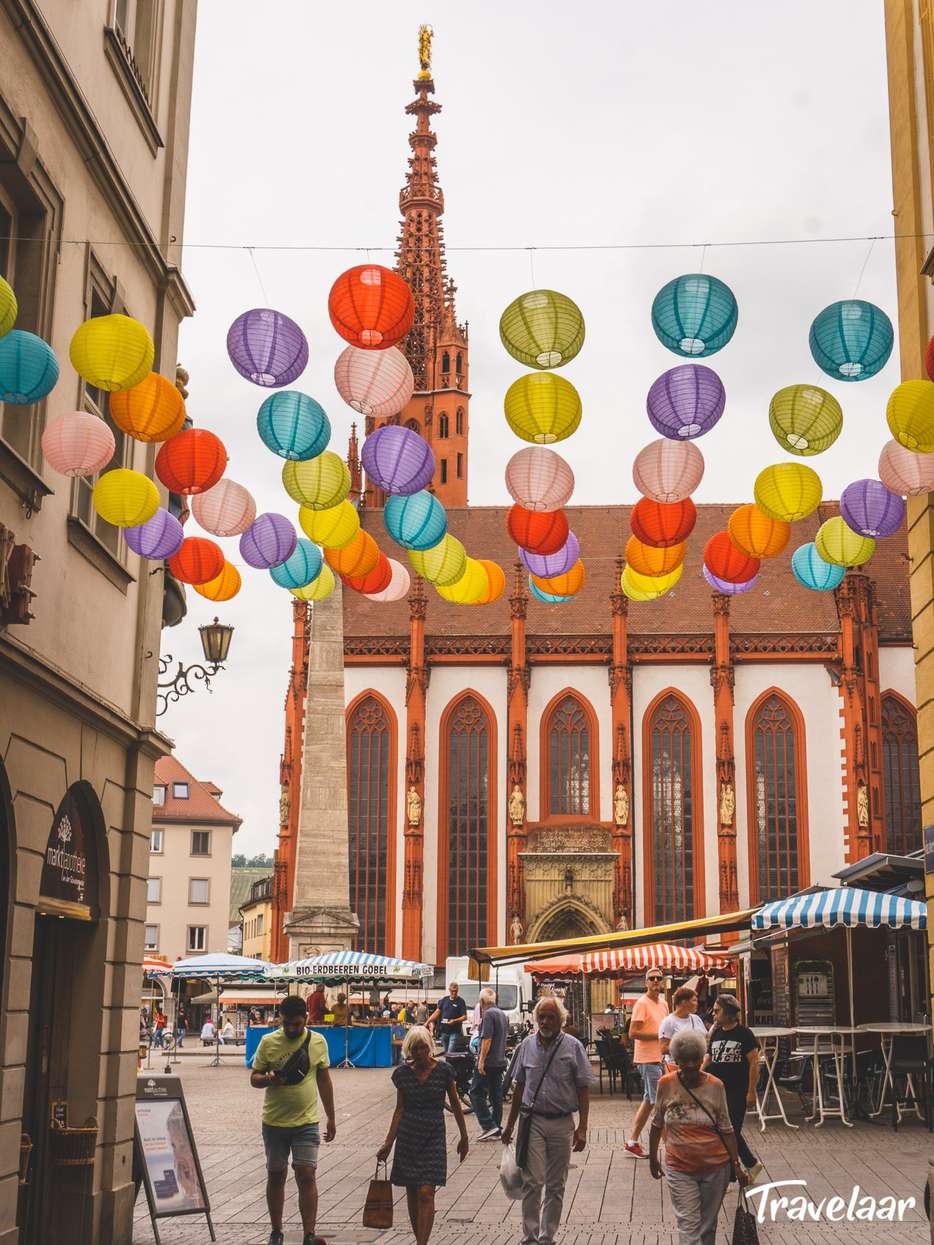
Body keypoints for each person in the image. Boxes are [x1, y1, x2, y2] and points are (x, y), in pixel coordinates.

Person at [501, 998, 592, 1245]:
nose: (545, 1022)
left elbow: (583, 1088)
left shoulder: (573, 1047)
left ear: (561, 1019)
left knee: (556, 1184)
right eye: (541, 1016)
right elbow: (519, 1086)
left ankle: (547, 1237)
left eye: (551, 1017)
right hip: (534, 1121)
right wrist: (509, 1125)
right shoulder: (526, 1045)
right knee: (533, 1181)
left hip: (563, 1121)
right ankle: (529, 1237)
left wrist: (582, 1127)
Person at [251, 995, 336, 1245]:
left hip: (307, 1122)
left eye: (296, 1024)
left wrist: (331, 1117)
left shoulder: (318, 1042)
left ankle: (309, 1234)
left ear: (306, 1019)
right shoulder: (268, 1042)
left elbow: (324, 1080)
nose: (291, 1028)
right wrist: (268, 1079)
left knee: (307, 1175)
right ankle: (276, 1232)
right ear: (280, 1018)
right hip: (274, 1122)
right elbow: (254, 1078)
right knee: (276, 1175)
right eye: (287, 1023)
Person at [649, 1028, 747, 1245]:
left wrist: (736, 1163)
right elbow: (656, 1123)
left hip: (716, 1167)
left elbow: (727, 1128)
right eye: (684, 1060)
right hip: (679, 1167)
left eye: (695, 1059)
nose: (691, 1065)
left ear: (702, 1056)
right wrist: (652, 1156)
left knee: (708, 1226)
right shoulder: (665, 1084)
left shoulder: (715, 1086)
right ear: (676, 1059)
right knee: (688, 1225)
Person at [377, 1025, 468, 1245]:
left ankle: (421, 1243)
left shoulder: (444, 1071)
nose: (420, 1054)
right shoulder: (402, 1074)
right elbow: (400, 1109)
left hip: (433, 1134)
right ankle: (421, 1238)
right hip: (408, 1136)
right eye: (415, 1049)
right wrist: (388, 1143)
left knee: (427, 1192)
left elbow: (455, 1104)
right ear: (409, 1050)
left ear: (430, 1047)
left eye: (423, 1048)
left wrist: (464, 1136)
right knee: (411, 1192)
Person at [704, 994, 762, 1182]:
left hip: (737, 1090)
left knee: (730, 1131)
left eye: (717, 1010)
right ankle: (751, 1164)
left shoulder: (744, 1034)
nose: (714, 1014)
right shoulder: (716, 1033)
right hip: (717, 1090)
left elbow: (754, 1063)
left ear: (729, 1013)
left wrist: (751, 1091)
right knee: (725, 1130)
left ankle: (730, 1175)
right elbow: (709, 1057)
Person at [624, 970, 669, 1157]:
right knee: (659, 1102)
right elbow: (632, 1033)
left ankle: (632, 1141)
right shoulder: (641, 1003)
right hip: (647, 1059)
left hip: (660, 1057)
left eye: (659, 978)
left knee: (649, 1101)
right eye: (652, 978)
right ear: (646, 982)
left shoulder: (664, 1003)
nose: (656, 981)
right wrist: (659, 1035)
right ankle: (671, 1147)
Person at [469, 987, 508, 1140]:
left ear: (482, 1001)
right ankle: (497, 1127)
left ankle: (488, 1125)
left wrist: (481, 1061)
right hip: (499, 1060)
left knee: (475, 1092)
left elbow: (487, 1039)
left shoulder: (489, 1014)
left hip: (489, 1062)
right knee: (495, 1095)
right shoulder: (502, 1014)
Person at [659, 987, 707, 1066]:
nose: (697, 1003)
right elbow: (663, 1048)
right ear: (684, 1002)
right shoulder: (668, 1022)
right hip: (677, 1067)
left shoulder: (696, 1018)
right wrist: (687, 1049)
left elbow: (706, 1038)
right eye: (694, 1000)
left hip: (697, 1066)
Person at [425, 982, 468, 1053]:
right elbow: (437, 1012)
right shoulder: (444, 1000)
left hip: (454, 1031)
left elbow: (464, 1017)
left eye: (455, 991)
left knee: (450, 1052)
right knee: (446, 1052)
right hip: (444, 1031)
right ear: (449, 990)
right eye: (452, 991)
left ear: (458, 991)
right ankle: (449, 1063)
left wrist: (454, 1021)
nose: (454, 993)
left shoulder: (461, 1001)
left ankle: (449, 1062)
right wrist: (427, 1022)